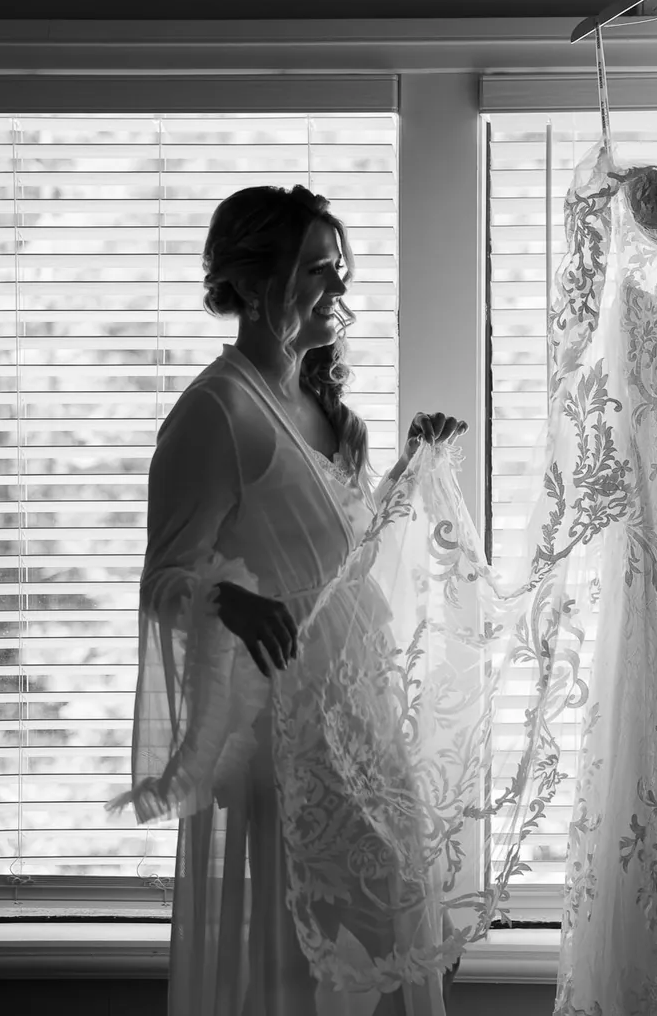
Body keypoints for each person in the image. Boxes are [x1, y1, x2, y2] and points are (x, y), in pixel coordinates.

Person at [113, 184, 465, 1015]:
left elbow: (346, 568)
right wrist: (230, 602)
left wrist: (413, 469)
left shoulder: (321, 408)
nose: (339, 291)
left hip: (362, 726)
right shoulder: (214, 412)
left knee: (388, 948)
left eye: (341, 271)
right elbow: (163, 580)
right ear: (255, 278)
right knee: (297, 974)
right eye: (318, 271)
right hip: (287, 745)